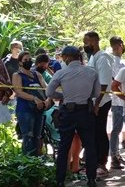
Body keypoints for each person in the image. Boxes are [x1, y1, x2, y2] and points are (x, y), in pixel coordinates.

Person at [46, 46, 100, 187]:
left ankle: (60, 180)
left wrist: (63, 96)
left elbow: (49, 92)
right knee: (89, 145)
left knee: (64, 146)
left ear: (68, 57)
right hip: (85, 112)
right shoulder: (92, 72)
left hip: (68, 112)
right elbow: (96, 93)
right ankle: (91, 179)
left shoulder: (60, 73)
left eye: (63, 57)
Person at [83, 31, 115, 177]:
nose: (85, 45)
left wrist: (97, 104)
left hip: (101, 101)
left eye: (87, 42)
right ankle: (94, 162)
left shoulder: (102, 58)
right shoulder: (92, 58)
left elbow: (104, 83)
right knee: (95, 133)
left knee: (101, 132)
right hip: (94, 101)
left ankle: (102, 163)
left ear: (95, 41)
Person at [12, 51, 52, 156]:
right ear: (20, 62)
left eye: (29, 60)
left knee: (37, 136)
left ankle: (35, 161)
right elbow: (19, 92)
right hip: (25, 110)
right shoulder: (17, 75)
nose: (28, 62)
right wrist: (34, 98)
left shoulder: (37, 74)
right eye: (25, 60)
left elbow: (47, 88)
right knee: (28, 136)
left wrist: (48, 99)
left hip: (39, 110)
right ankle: (27, 162)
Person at [108, 36, 125, 170]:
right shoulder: (117, 62)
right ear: (121, 45)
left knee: (118, 129)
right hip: (118, 101)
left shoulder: (121, 61)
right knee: (116, 129)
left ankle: (116, 155)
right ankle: (114, 157)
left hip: (120, 100)